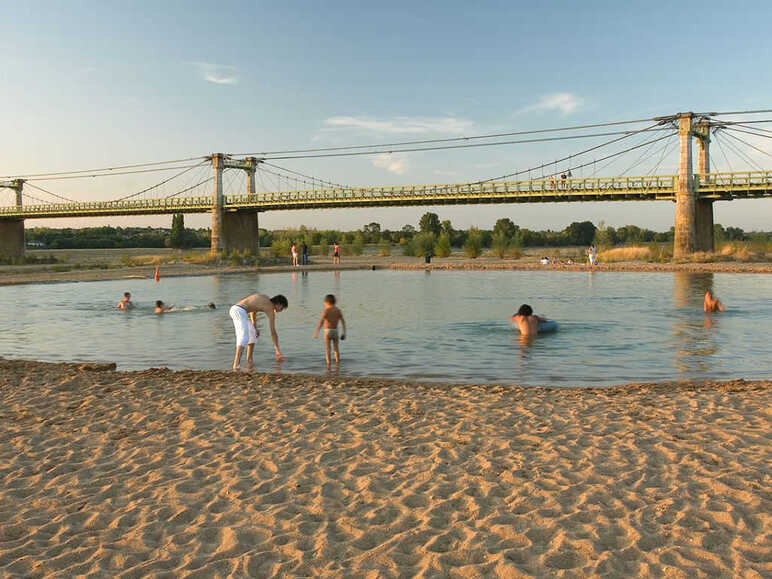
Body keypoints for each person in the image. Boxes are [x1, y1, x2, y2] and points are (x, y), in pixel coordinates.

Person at [229, 293, 288, 371]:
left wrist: (254, 326)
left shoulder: (265, 299)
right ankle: (236, 365)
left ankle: (249, 361)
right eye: (282, 308)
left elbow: (253, 310)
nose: (281, 310)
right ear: (279, 304)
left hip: (239, 310)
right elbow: (273, 332)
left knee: (252, 334)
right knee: (243, 337)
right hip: (239, 311)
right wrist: (277, 350)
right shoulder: (270, 307)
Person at [313, 294, 346, 366]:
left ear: (327, 302)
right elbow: (343, 321)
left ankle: (328, 364)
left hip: (327, 331)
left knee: (328, 349)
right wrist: (344, 332)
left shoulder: (326, 310)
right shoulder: (338, 310)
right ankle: (337, 363)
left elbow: (321, 322)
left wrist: (316, 332)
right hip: (335, 331)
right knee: (336, 349)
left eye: (324, 302)